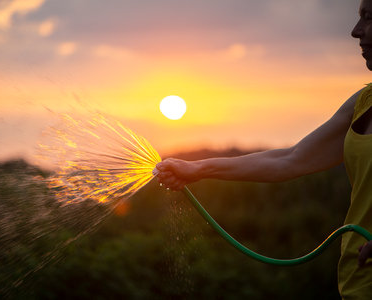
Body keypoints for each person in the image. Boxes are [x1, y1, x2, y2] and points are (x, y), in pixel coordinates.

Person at [156, 1, 372, 298]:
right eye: (359, 18)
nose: (355, 31)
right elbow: (290, 159)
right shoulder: (363, 102)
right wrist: (197, 169)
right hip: (358, 281)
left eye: (369, 19)